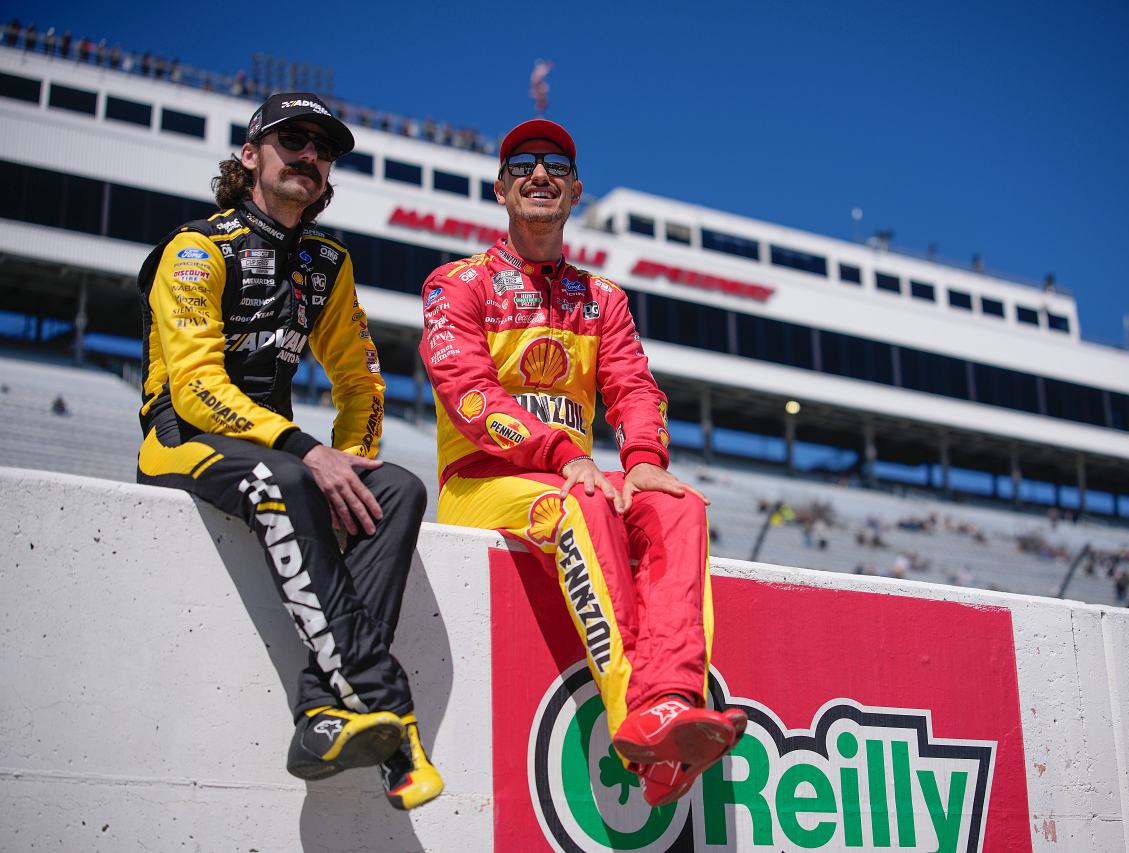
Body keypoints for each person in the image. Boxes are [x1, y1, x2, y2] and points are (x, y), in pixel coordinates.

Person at [419, 119, 745, 808]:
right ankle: (638, 719)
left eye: (557, 166)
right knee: (584, 501)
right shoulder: (457, 283)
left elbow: (634, 387)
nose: (540, 174)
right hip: (481, 484)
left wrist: (645, 459)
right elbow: (469, 394)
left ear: (575, 191)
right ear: (501, 189)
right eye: (523, 164)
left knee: (678, 503)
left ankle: (674, 702)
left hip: (574, 477)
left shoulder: (603, 298)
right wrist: (565, 453)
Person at [135, 92, 442, 811]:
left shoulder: (328, 264)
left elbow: (361, 382)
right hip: (182, 441)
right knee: (291, 477)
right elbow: (195, 389)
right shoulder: (196, 249)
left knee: (396, 489)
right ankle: (391, 719)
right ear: (250, 157)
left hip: (276, 452)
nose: (310, 155)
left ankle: (322, 714)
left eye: (323, 149)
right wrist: (308, 450)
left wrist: (351, 461)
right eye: (293, 140)